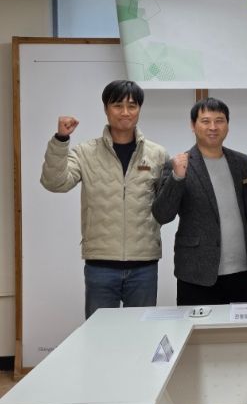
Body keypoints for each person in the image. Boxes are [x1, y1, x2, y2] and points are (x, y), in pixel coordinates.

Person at [151, 98, 247, 404]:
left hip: (238, 270)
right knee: (197, 351)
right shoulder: (179, 164)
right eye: (205, 121)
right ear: (193, 125)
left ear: (227, 124)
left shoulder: (242, 163)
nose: (213, 127)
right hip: (196, 272)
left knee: (232, 348)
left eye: (219, 120)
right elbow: (162, 214)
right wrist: (176, 177)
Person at [40, 80, 168, 319]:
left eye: (132, 106)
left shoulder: (157, 154)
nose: (125, 112)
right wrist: (61, 140)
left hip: (144, 265)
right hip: (100, 266)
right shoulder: (85, 152)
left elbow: (166, 206)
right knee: (98, 335)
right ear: (106, 109)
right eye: (118, 105)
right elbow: (55, 182)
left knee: (142, 333)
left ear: (139, 109)